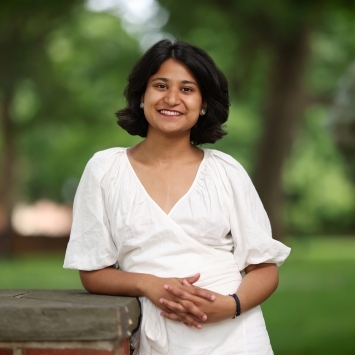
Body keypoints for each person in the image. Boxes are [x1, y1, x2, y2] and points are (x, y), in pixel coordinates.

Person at [64, 39, 291, 355]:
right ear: (141, 95)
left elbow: (264, 267)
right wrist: (149, 284)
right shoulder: (105, 169)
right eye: (160, 85)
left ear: (204, 105)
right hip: (159, 335)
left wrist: (230, 306)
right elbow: (93, 271)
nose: (171, 98)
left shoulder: (226, 171)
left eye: (187, 89)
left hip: (236, 335)